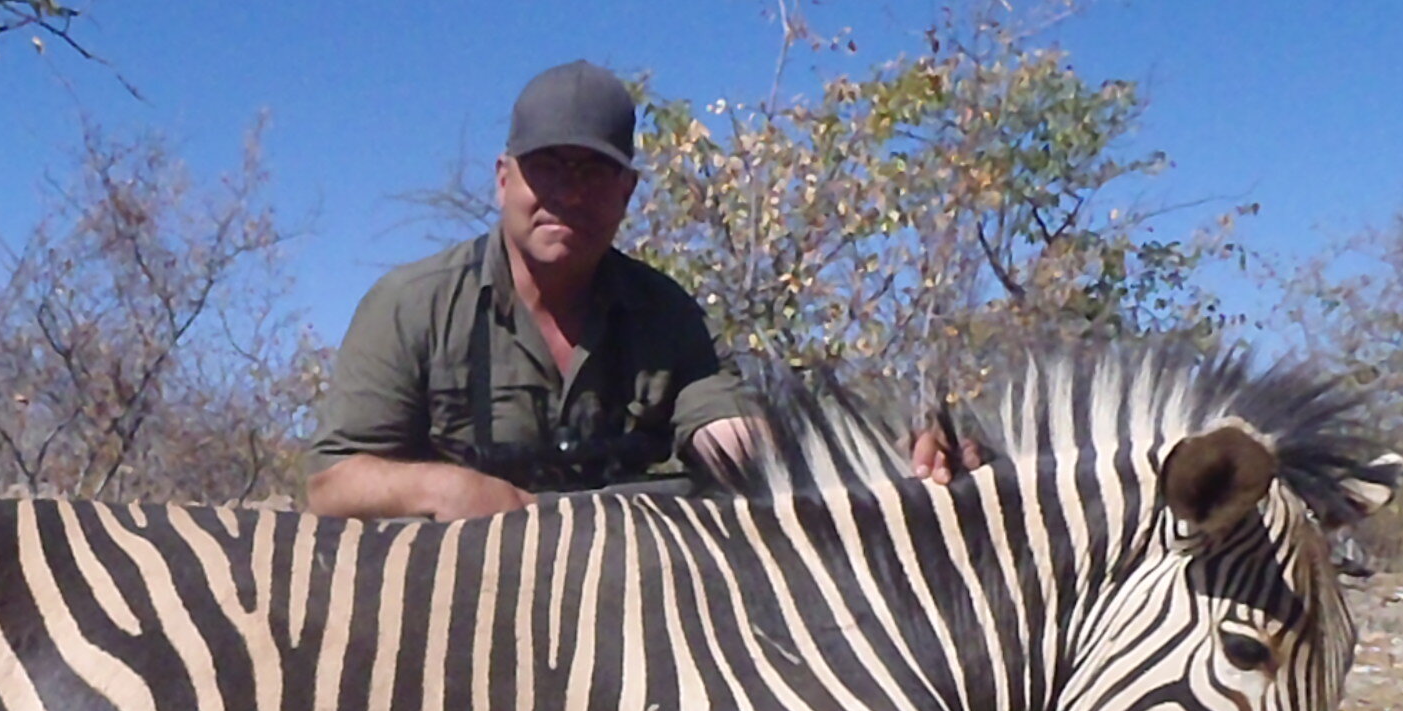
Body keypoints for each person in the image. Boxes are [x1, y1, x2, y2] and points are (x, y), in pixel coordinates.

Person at [306, 60, 965, 521]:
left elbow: (729, 433)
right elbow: (333, 483)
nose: (568, 194)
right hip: (452, 606)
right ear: (503, 178)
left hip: (624, 616)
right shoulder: (412, 305)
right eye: (547, 169)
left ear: (628, 192)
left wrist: (876, 448)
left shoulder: (665, 313)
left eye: (594, 173)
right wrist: (451, 491)